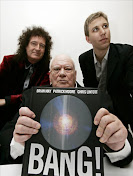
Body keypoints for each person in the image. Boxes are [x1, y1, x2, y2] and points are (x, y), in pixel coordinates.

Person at [0, 54, 132, 167]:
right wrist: (18, 142)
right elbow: (7, 132)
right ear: (50, 76)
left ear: (75, 75)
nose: (62, 73)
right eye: (57, 69)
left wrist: (119, 146)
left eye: (67, 69)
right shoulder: (31, 97)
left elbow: (122, 136)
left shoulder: (99, 98)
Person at [79, 11, 133, 132]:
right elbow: (90, 90)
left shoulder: (126, 53)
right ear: (88, 39)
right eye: (95, 29)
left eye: (105, 26)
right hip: (97, 117)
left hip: (123, 116)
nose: (103, 32)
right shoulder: (84, 59)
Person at [0, 26, 53, 130]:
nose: (38, 48)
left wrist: (7, 100)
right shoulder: (9, 61)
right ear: (25, 45)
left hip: (26, 113)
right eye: (34, 43)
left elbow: (34, 95)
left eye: (42, 46)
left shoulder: (46, 69)